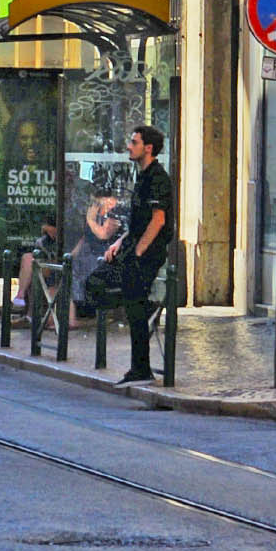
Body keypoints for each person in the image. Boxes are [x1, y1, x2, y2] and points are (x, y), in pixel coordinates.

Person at [112, 123, 175, 382]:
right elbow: (139, 221)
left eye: (134, 142)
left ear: (148, 148)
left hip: (148, 253)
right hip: (135, 249)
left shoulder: (158, 178)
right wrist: (120, 242)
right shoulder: (142, 175)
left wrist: (137, 252)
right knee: (113, 293)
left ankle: (141, 369)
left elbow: (158, 220)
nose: (129, 146)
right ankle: (140, 367)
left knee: (134, 305)